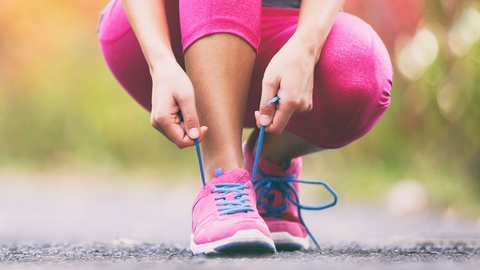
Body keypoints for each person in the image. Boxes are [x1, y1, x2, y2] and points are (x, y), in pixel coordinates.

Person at [97, 0, 393, 255]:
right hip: (164, 31)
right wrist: (160, 62)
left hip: (286, 28)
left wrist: (306, 48)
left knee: (363, 69)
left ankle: (269, 161)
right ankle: (225, 180)